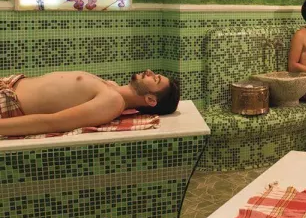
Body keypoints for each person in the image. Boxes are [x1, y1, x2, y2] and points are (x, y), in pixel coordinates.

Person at [0, 70, 179, 137]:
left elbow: (52, 122)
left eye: (155, 79)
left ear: (150, 100)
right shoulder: (111, 87)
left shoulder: (113, 102)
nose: (148, 72)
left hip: (7, 102)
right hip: (8, 85)